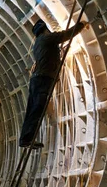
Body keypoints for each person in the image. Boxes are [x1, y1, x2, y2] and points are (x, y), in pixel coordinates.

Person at [19, 18, 86, 148]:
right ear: (44, 30)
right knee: (38, 108)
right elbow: (65, 35)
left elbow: (49, 54)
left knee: (32, 109)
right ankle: (27, 139)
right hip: (44, 78)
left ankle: (25, 138)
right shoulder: (47, 38)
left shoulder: (38, 43)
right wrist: (81, 25)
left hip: (37, 78)